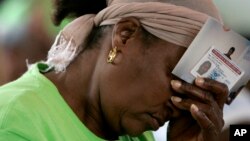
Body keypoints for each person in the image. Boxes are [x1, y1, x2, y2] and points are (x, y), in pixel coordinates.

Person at [0, 0, 229, 141]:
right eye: (177, 78)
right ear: (125, 36)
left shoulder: (131, 129)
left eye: (190, 89)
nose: (180, 103)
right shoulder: (14, 124)